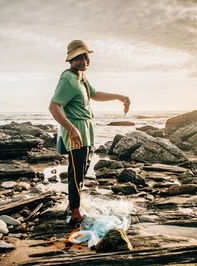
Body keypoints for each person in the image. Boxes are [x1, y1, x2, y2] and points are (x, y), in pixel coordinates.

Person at [49, 40, 130, 226]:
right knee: (76, 172)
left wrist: (119, 96)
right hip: (75, 130)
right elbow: (54, 106)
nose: (84, 60)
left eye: (85, 56)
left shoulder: (81, 77)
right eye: (79, 57)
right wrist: (71, 129)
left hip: (86, 129)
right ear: (71, 60)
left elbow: (94, 94)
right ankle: (75, 213)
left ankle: (72, 204)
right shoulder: (68, 79)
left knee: (83, 169)